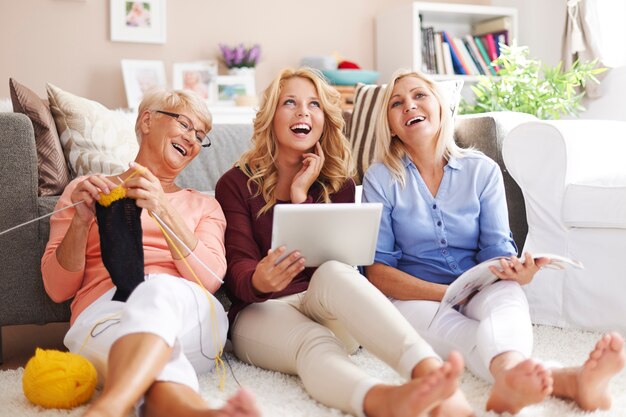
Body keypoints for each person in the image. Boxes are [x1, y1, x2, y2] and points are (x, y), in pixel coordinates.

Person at [361, 69, 626, 414]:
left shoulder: (481, 170)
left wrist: (519, 273)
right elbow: (378, 273)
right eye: (397, 103)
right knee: (459, 334)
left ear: (439, 107)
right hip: (415, 297)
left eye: (419, 95)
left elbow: (497, 251)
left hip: (482, 283)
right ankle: (567, 379)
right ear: (391, 125)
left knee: (507, 306)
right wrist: (448, 295)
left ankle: (514, 382)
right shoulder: (380, 178)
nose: (409, 105)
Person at [214, 67, 475, 417]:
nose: (303, 112)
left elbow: (338, 266)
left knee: (337, 270)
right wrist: (259, 279)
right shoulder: (234, 184)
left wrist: (300, 194)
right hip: (262, 312)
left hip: (328, 306)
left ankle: (428, 372)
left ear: (324, 119)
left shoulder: (339, 184)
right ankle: (383, 400)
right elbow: (237, 270)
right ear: (270, 116)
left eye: (314, 105)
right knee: (313, 343)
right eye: (289, 102)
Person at [41, 90, 260, 417]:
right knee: (148, 360)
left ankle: (109, 406)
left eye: (201, 136)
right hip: (105, 313)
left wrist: (162, 209)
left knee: (156, 290)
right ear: (147, 120)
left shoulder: (205, 205)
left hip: (191, 315)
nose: (192, 139)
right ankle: (201, 413)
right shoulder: (86, 190)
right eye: (185, 125)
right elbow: (57, 289)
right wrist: (81, 222)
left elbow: (211, 279)